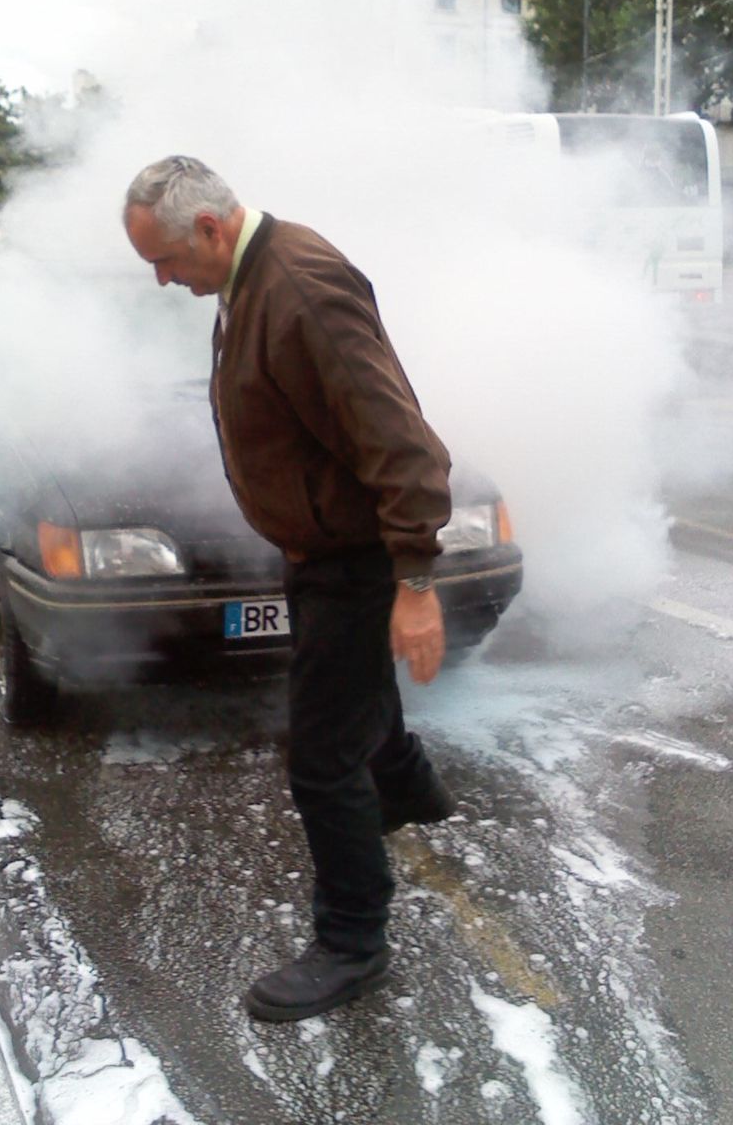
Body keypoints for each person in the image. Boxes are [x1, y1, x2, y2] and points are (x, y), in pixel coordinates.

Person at [123, 155, 455, 1023]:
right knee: (353, 695)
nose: (162, 279)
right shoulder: (245, 277)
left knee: (319, 760)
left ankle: (353, 943)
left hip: (353, 558)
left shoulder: (299, 288)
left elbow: (403, 446)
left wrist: (415, 581)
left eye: (164, 260)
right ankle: (407, 785)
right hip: (318, 550)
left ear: (209, 228)